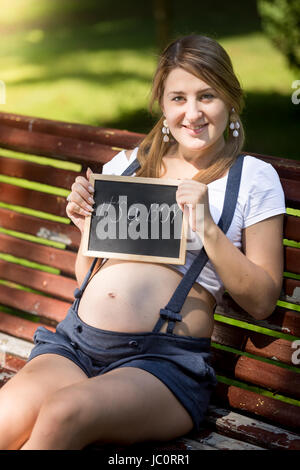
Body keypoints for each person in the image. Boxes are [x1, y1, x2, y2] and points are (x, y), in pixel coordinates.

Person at [0, 34, 286, 450]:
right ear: (162, 104)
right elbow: (89, 276)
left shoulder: (252, 179)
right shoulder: (131, 164)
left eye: (207, 96)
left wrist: (208, 228)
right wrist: (86, 230)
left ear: (231, 99)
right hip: (76, 342)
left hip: (160, 362)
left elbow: (262, 300)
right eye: (178, 98)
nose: (192, 113)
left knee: (65, 414)